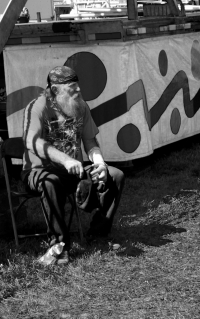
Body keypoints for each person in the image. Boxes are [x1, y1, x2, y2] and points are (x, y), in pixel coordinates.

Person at [22, 66, 125, 265]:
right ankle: (59, 247)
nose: (78, 91)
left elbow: (90, 142)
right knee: (50, 183)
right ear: (54, 90)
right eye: (72, 88)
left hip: (73, 170)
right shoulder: (38, 107)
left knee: (116, 175)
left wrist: (99, 164)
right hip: (38, 172)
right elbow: (30, 141)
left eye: (78, 86)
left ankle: (98, 234)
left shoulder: (80, 106)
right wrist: (65, 159)